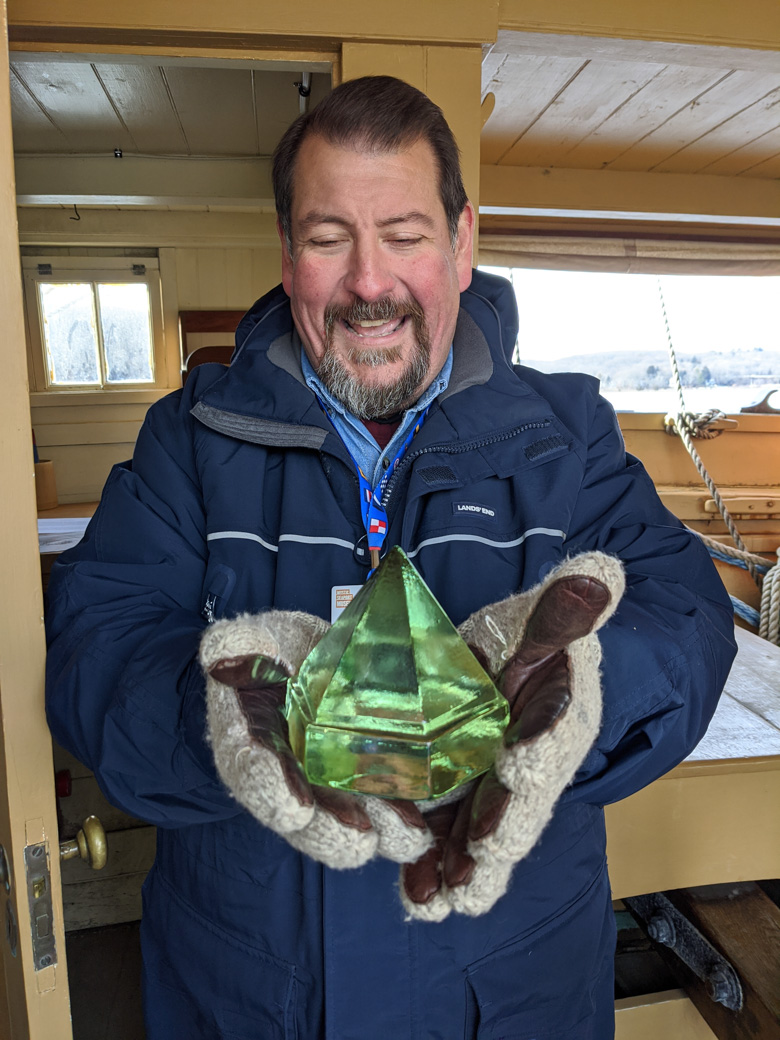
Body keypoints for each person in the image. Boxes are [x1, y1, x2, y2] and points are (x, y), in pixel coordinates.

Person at [45, 75, 736, 1039]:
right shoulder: (188, 439)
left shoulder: (567, 433)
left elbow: (690, 611)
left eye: (405, 234)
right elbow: (92, 649)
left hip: (511, 990)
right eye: (331, 239)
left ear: (461, 243)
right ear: (289, 257)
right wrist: (221, 711)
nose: (370, 284)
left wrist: (586, 690)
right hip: (247, 993)